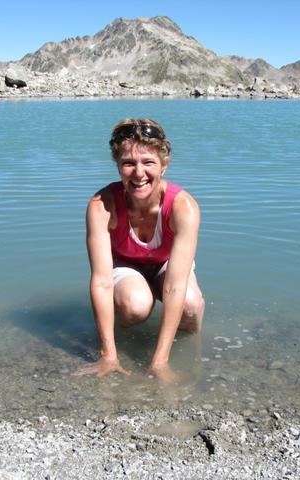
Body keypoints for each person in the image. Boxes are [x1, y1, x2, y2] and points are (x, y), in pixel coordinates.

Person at [73, 118, 205, 383]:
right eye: (128, 163)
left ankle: (189, 349)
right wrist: (108, 356)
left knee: (189, 306)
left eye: (148, 162)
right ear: (118, 166)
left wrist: (160, 363)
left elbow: (175, 287)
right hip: (126, 264)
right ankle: (121, 338)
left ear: (164, 165)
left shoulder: (183, 207)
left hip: (166, 263)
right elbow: (101, 282)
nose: (138, 173)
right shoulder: (102, 205)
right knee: (135, 307)